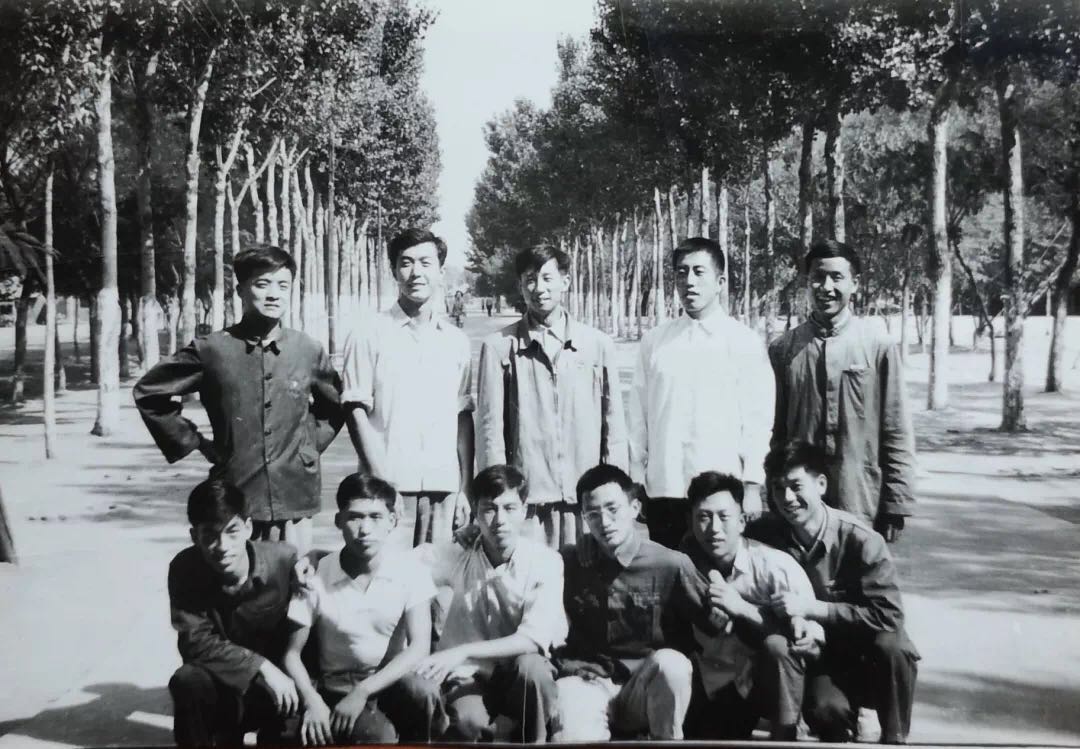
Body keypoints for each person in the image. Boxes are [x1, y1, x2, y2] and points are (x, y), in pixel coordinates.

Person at [134, 246, 343, 556]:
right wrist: (195, 441)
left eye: (283, 285)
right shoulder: (212, 349)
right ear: (241, 290)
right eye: (262, 284)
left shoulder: (308, 349)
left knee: (292, 575)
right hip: (236, 494)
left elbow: (334, 407)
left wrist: (306, 448)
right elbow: (150, 392)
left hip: (294, 495)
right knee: (238, 577)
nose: (273, 294)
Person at [763, 442, 919, 744]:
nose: (787, 498)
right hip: (824, 658)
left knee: (895, 646)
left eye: (796, 486)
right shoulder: (768, 535)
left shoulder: (862, 540)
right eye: (778, 488)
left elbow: (889, 615)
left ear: (821, 484)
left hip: (868, 654)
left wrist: (814, 608)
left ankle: (895, 738)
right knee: (827, 711)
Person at [477, 245, 628, 549]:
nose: (539, 288)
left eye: (547, 278)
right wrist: (498, 500)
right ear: (520, 285)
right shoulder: (499, 347)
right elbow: (490, 431)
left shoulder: (597, 345)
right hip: (527, 504)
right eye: (530, 280)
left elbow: (613, 426)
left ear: (565, 282)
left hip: (587, 502)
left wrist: (617, 492)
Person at [628, 236, 774, 549]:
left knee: (718, 575)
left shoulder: (743, 342)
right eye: (681, 272)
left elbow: (758, 420)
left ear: (720, 282)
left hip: (719, 493)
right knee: (670, 572)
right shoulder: (655, 342)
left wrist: (751, 485)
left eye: (698, 272)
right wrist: (637, 477)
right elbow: (637, 417)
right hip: (665, 488)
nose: (689, 281)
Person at [551, 464, 715, 742]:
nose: (604, 522)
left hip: (644, 686)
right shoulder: (569, 561)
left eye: (613, 509)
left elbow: (713, 622)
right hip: (588, 681)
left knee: (673, 665)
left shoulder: (669, 564)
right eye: (593, 514)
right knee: (570, 728)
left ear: (634, 508)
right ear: (584, 517)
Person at [282, 474, 447, 745]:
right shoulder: (314, 574)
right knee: (376, 736)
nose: (365, 529)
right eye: (355, 517)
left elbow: (419, 647)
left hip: (390, 681)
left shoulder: (410, 571)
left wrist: (363, 691)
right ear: (339, 521)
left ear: (392, 521)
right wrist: (312, 700)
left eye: (375, 517)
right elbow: (291, 654)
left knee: (424, 691)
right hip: (335, 686)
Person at [768, 239, 916, 540]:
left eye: (836, 277)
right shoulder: (784, 350)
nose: (826, 287)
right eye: (818, 277)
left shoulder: (878, 347)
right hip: (799, 500)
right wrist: (772, 493)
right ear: (807, 282)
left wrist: (896, 501)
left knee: (862, 566)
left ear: (854, 284)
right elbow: (775, 431)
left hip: (859, 494)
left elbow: (896, 428)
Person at [340, 228, 475, 546]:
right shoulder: (368, 333)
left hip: (443, 488)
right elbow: (355, 411)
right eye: (406, 263)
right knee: (386, 572)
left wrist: (465, 488)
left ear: (441, 272)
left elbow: (462, 418)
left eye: (426, 263)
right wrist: (381, 482)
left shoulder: (456, 342)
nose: (416, 272)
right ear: (393, 271)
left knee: (437, 574)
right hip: (389, 489)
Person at [415, 464, 566, 742]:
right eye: (489, 509)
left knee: (533, 671)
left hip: (520, 671)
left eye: (509, 508)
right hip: (470, 673)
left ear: (524, 510)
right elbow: (404, 571)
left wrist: (460, 651)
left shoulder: (545, 561)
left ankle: (537, 738)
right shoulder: (458, 552)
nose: (499, 520)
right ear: (474, 510)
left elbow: (532, 640)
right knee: (467, 723)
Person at [679, 471, 823, 740]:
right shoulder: (684, 565)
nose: (714, 529)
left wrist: (742, 608)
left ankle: (786, 736)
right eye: (704, 517)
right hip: (717, 685)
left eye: (724, 517)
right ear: (690, 521)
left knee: (779, 647)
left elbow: (810, 645)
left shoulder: (774, 566)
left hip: (764, 684)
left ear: (742, 521)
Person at [167, 479, 300, 747]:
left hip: (280, 690)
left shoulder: (284, 561)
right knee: (187, 681)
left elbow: (333, 568)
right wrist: (261, 666)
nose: (222, 546)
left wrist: (310, 561)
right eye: (210, 535)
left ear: (248, 527)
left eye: (232, 532)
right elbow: (195, 642)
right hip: (224, 684)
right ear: (194, 536)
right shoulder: (185, 568)